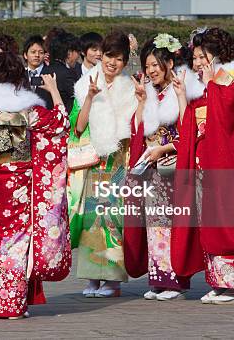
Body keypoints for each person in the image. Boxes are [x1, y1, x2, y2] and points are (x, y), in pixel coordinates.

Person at [0, 51, 71, 319]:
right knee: (15, 242)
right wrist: (53, 91)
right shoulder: (26, 108)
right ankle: (11, 305)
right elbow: (61, 125)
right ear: (19, 76)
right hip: (18, 180)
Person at [171, 27, 234, 305]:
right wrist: (181, 97)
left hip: (226, 160)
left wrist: (212, 84)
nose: (197, 63)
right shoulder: (205, 85)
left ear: (218, 55)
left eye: (202, 56)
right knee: (208, 221)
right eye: (195, 58)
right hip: (204, 159)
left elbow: (229, 113)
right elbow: (189, 127)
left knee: (227, 217)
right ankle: (220, 282)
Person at [123, 34, 202, 301]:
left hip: (172, 166)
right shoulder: (153, 92)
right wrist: (142, 100)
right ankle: (158, 279)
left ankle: (175, 281)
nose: (151, 71)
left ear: (169, 62)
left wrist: (164, 148)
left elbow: (188, 129)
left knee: (171, 222)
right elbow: (137, 131)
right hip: (152, 168)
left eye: (155, 65)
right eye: (147, 67)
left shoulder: (183, 88)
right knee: (154, 223)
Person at [67, 31, 137, 298]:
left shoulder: (128, 86)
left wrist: (141, 102)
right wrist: (89, 97)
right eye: (109, 56)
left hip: (118, 162)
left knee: (112, 219)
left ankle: (113, 280)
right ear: (102, 55)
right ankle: (93, 277)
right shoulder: (86, 83)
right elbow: (79, 126)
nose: (113, 62)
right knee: (90, 219)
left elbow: (134, 126)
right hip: (94, 162)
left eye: (119, 58)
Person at [46, 32, 82, 112]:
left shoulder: (45, 70)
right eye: (78, 52)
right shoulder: (67, 74)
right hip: (60, 121)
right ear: (69, 53)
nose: (78, 56)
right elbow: (79, 100)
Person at [23, 35, 53, 103]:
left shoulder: (51, 74)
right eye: (33, 52)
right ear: (25, 55)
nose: (37, 55)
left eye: (41, 52)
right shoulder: (19, 75)